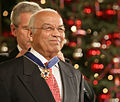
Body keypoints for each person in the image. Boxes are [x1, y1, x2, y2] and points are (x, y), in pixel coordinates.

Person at [0, 8, 95, 102]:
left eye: (60, 29)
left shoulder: (74, 74)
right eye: (48, 28)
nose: (56, 34)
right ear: (31, 34)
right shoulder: (5, 73)